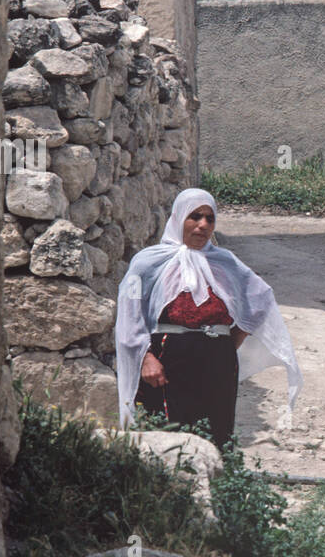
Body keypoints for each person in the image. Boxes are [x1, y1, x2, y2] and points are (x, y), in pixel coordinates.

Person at [115, 188, 302, 445]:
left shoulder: (225, 262)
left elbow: (259, 299)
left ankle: (216, 482)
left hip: (218, 361)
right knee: (169, 434)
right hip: (167, 360)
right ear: (179, 218)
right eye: (195, 216)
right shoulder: (147, 264)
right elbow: (129, 313)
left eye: (209, 218)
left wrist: (228, 343)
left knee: (217, 430)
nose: (203, 225)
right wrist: (145, 357)